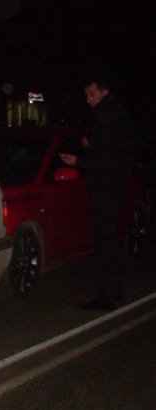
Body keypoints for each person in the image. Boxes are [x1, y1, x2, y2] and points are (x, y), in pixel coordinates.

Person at [60, 78, 139, 311]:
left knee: (105, 242)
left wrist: (80, 161)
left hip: (107, 186)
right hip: (111, 184)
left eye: (92, 94)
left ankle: (108, 295)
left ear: (104, 92)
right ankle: (115, 290)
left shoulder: (111, 117)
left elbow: (109, 156)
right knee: (108, 241)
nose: (88, 99)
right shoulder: (113, 115)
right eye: (86, 95)